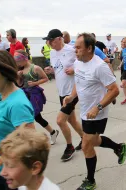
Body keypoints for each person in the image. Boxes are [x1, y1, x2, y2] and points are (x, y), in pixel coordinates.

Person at [63, 33, 126, 190]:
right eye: (75, 47)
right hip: (85, 110)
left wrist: (97, 107)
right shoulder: (78, 63)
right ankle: (118, 147)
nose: (75, 50)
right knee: (92, 141)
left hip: (97, 113)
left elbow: (114, 90)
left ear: (89, 48)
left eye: (78, 47)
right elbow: (78, 83)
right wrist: (71, 97)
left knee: (86, 145)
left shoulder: (100, 66)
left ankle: (90, 181)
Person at [0, 51, 35, 190]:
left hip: (13, 171)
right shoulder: (2, 96)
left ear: (4, 72)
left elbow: (29, 143)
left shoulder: (17, 104)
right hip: (0, 169)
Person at [43, 29, 83, 161]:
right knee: (71, 120)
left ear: (59, 39)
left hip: (72, 92)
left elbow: (85, 65)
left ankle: (69, 147)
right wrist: (51, 70)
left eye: (51, 40)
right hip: (61, 91)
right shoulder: (53, 52)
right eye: (47, 40)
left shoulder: (72, 50)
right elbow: (57, 69)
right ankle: (85, 138)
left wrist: (74, 70)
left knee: (60, 120)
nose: (48, 43)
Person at [15, 50, 59, 145]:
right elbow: (19, 84)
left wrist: (35, 83)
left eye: (18, 61)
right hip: (24, 95)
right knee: (30, 117)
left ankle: (45, 136)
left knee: (36, 117)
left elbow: (46, 78)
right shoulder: (20, 70)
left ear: (24, 59)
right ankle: (51, 133)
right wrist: (18, 77)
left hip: (34, 95)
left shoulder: (35, 68)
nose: (17, 63)